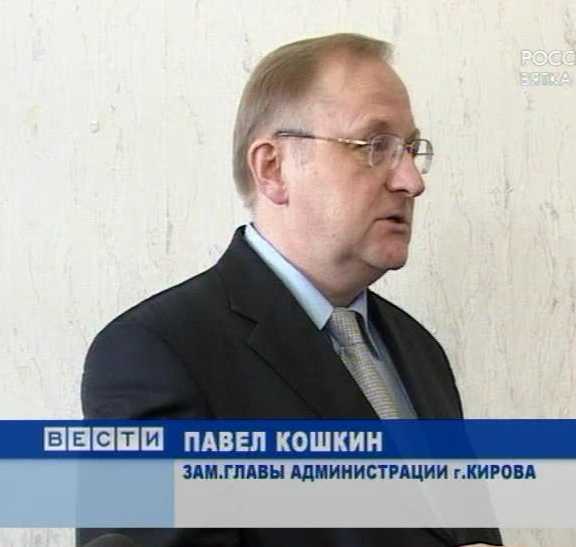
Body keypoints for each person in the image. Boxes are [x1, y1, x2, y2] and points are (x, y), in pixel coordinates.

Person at [78, 33, 503, 547]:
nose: (411, 181)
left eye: (411, 149)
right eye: (375, 147)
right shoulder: (155, 355)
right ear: (273, 169)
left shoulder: (419, 350)